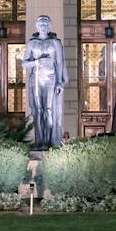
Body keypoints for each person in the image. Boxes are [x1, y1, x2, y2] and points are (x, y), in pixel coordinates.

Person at [22, 14, 67, 148]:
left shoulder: (55, 43)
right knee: (38, 110)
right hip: (36, 80)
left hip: (51, 79)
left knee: (49, 109)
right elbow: (24, 63)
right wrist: (37, 61)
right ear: (37, 26)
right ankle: (40, 140)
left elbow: (59, 63)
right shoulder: (32, 43)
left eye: (45, 24)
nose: (43, 27)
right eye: (40, 24)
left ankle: (50, 140)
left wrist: (60, 82)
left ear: (49, 26)